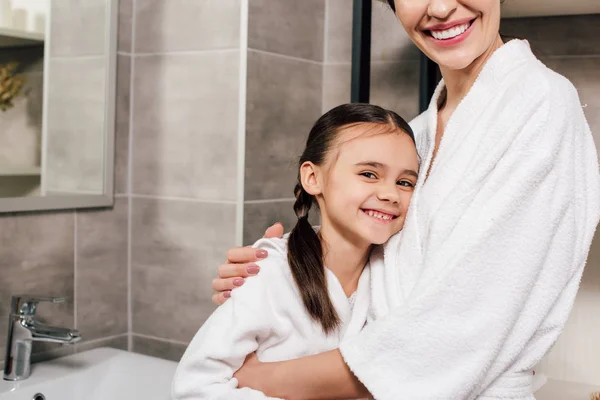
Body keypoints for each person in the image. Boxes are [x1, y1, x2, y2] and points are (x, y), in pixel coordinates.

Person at [211, 1, 600, 399]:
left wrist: (259, 378)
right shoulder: (420, 132)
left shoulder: (541, 102)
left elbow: (459, 329)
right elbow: (400, 255)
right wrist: (287, 266)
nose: (443, 7)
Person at [171, 104, 419, 399]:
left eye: (405, 182)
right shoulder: (271, 272)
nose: (390, 194)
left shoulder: (393, 275)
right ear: (313, 178)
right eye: (368, 174)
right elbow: (193, 385)